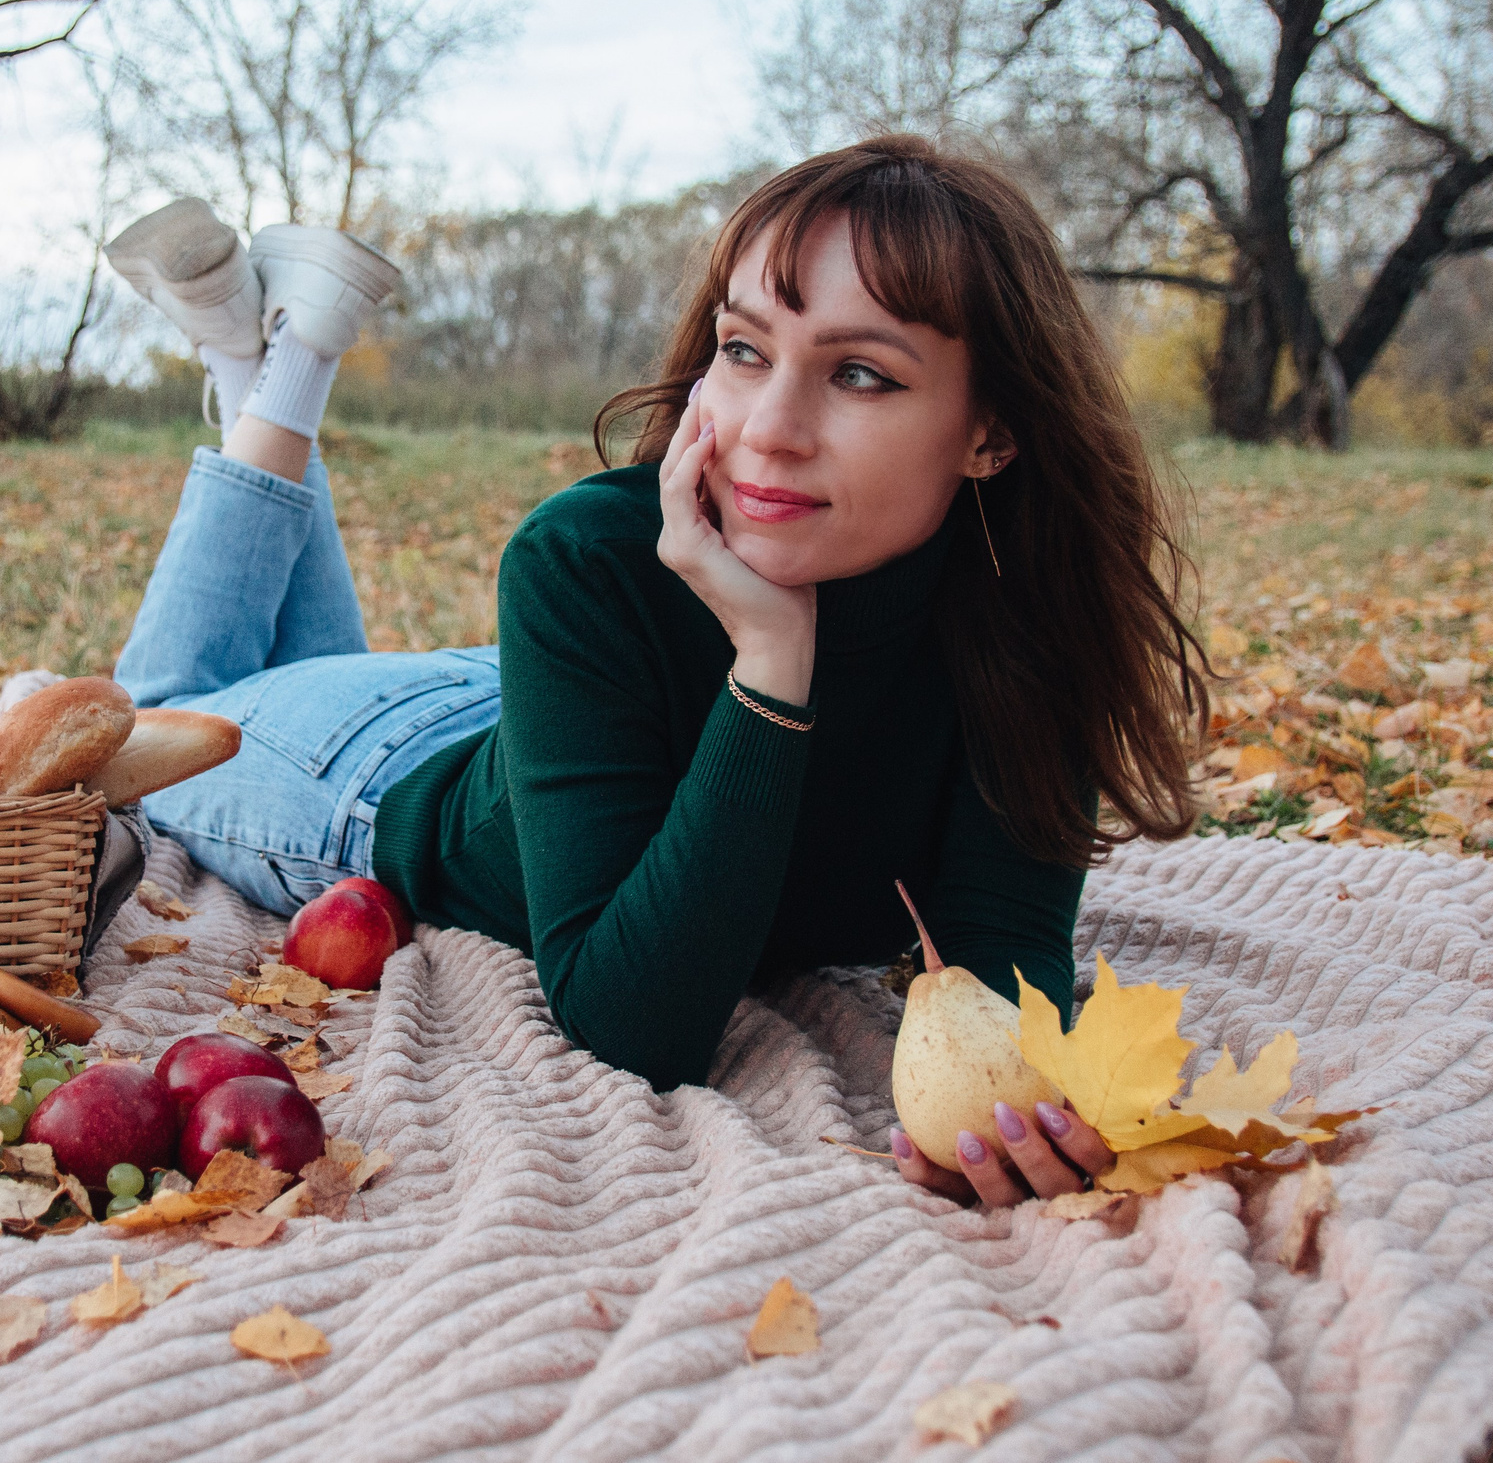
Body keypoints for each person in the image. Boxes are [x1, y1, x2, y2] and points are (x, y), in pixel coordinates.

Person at [105, 138, 1211, 1209]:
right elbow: (636, 1025)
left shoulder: (1021, 617)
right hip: (375, 776)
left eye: (861, 374)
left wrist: (1010, 1110)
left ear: (992, 434)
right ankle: (271, 369)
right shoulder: (586, 556)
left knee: (280, 674)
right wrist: (774, 664)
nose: (769, 430)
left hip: (561, 718)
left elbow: (998, 966)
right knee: (148, 723)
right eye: (743, 350)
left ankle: (264, 367)